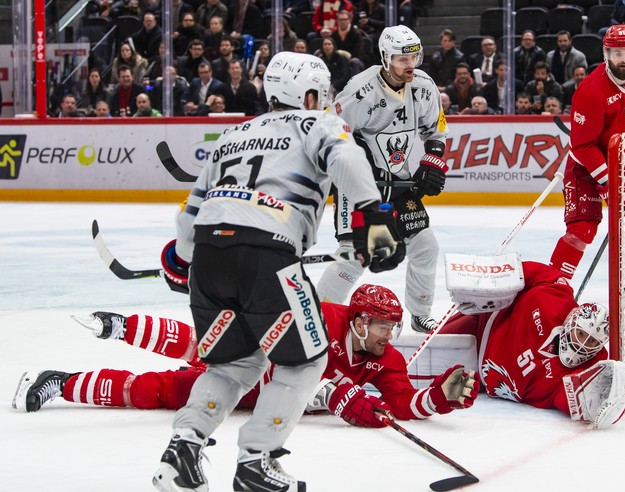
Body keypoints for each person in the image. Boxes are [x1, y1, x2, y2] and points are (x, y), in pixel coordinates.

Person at [149, 51, 405, 492]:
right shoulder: (317, 123)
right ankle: (256, 461)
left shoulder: (232, 134)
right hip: (268, 253)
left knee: (233, 364)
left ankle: (183, 449)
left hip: (211, 257)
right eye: (320, 94)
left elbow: (189, 216)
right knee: (307, 360)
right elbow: (347, 158)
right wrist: (373, 212)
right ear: (307, 94)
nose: (324, 101)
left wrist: (184, 260)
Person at [14, 285, 478, 427]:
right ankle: (122, 326)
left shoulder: (385, 359)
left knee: (157, 390)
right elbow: (277, 350)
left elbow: (399, 403)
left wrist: (439, 396)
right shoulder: (323, 317)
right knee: (207, 342)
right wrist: (327, 389)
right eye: (383, 326)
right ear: (358, 321)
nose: (389, 335)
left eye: (393, 327)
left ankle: (61, 381)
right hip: (253, 359)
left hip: (252, 398)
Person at [319, 26, 448, 335]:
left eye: (414, 56)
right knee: (355, 256)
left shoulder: (424, 86)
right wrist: (356, 156)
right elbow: (326, 130)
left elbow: (436, 127)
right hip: (359, 189)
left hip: (400, 184)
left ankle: (419, 314)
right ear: (385, 57)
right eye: (403, 59)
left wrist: (433, 159)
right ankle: (321, 317)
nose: (410, 65)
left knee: (425, 247)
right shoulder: (360, 91)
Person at [441, 260, 625, 428]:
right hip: (481, 325)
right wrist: (492, 285)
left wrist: (605, 398)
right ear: (571, 322)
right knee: (422, 360)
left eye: (592, 342)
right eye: (581, 334)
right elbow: (533, 272)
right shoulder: (556, 297)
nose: (583, 345)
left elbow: (573, 400)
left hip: (475, 380)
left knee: (442, 386)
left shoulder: (589, 368)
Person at [548, 25, 625, 296]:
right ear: (606, 54)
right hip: (586, 170)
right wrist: (608, 181)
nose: (622, 59)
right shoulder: (591, 90)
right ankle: (553, 288)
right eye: (616, 53)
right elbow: (583, 145)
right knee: (582, 230)